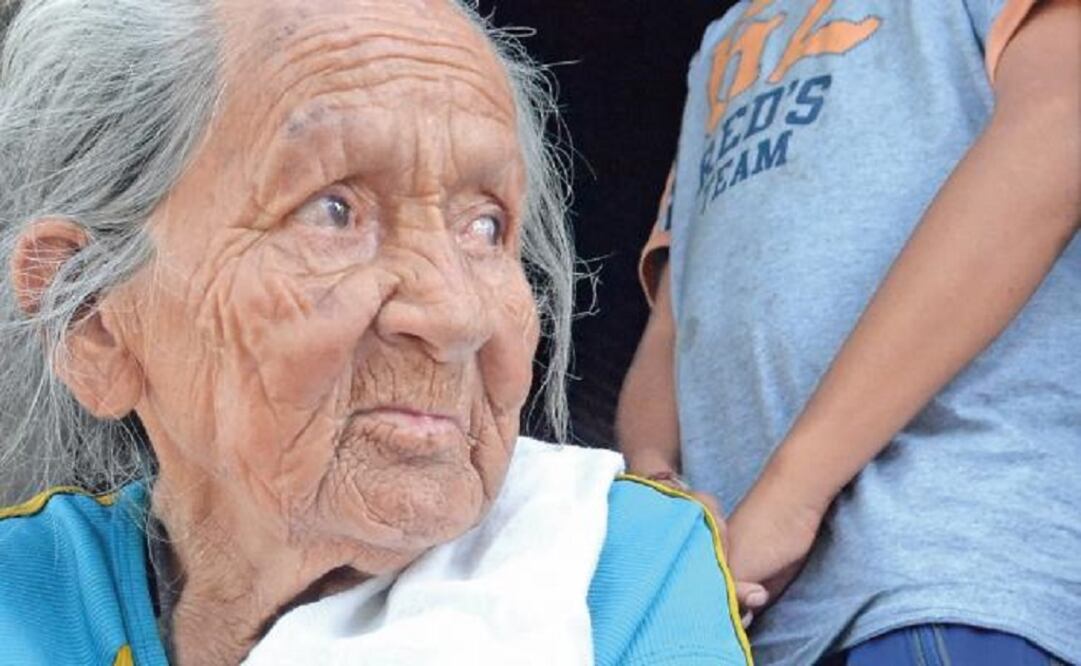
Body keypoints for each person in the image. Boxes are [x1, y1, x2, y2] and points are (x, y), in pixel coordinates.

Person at [0, 1, 754, 664]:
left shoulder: (617, 564)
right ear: (94, 317)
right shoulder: (24, 597)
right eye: (333, 211)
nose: (457, 315)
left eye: (485, 226)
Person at [617, 0, 1080, 663]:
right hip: (742, 618)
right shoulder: (723, 40)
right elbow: (676, 311)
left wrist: (792, 489)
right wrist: (657, 491)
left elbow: (1056, 132)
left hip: (943, 560)